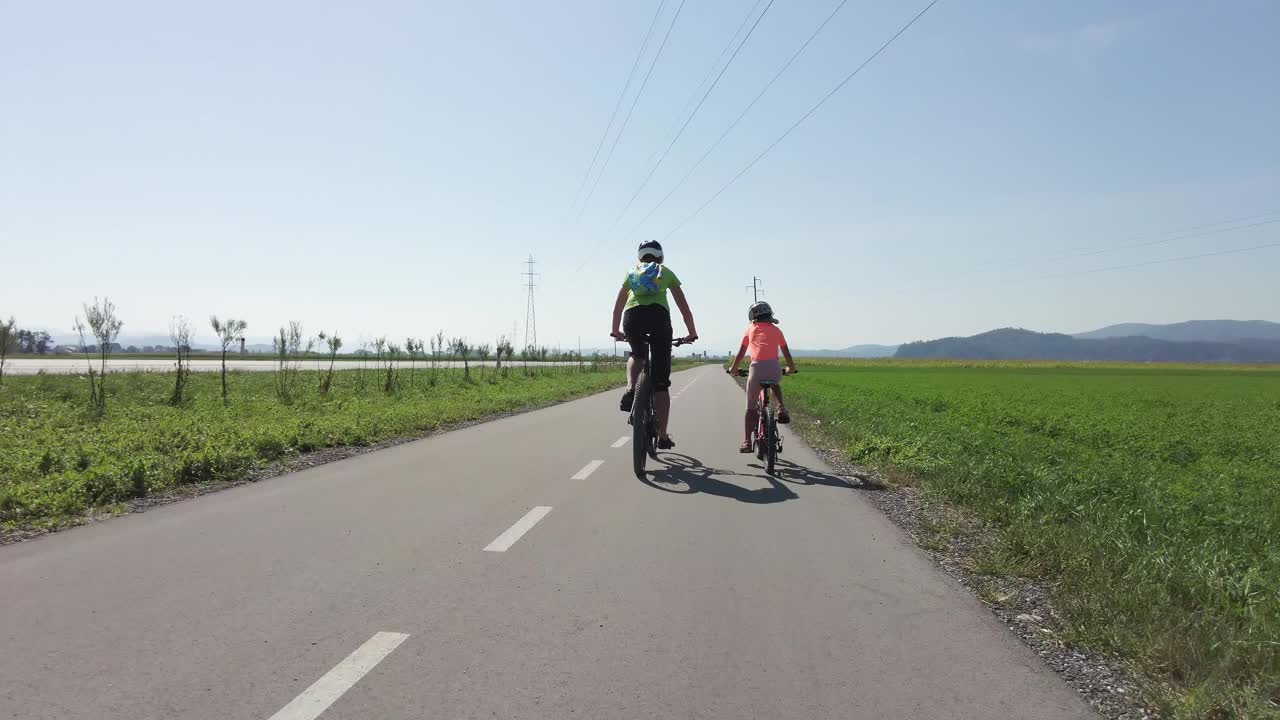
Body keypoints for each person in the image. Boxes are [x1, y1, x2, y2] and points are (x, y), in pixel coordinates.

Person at [610, 240, 698, 449]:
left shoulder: (631, 272)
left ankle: (631, 389)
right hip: (659, 319)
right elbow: (684, 307)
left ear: (640, 257)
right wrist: (692, 332)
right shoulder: (665, 272)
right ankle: (662, 436)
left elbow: (617, 307)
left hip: (633, 317)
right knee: (660, 384)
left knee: (637, 354)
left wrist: (616, 330)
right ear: (660, 256)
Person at [726, 301, 797, 453]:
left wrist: (734, 369)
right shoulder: (777, 330)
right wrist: (791, 368)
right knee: (775, 384)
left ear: (752, 316)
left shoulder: (750, 330)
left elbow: (740, 353)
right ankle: (781, 408)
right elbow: (786, 352)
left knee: (750, 408)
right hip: (774, 367)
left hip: (756, 368)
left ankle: (746, 442)